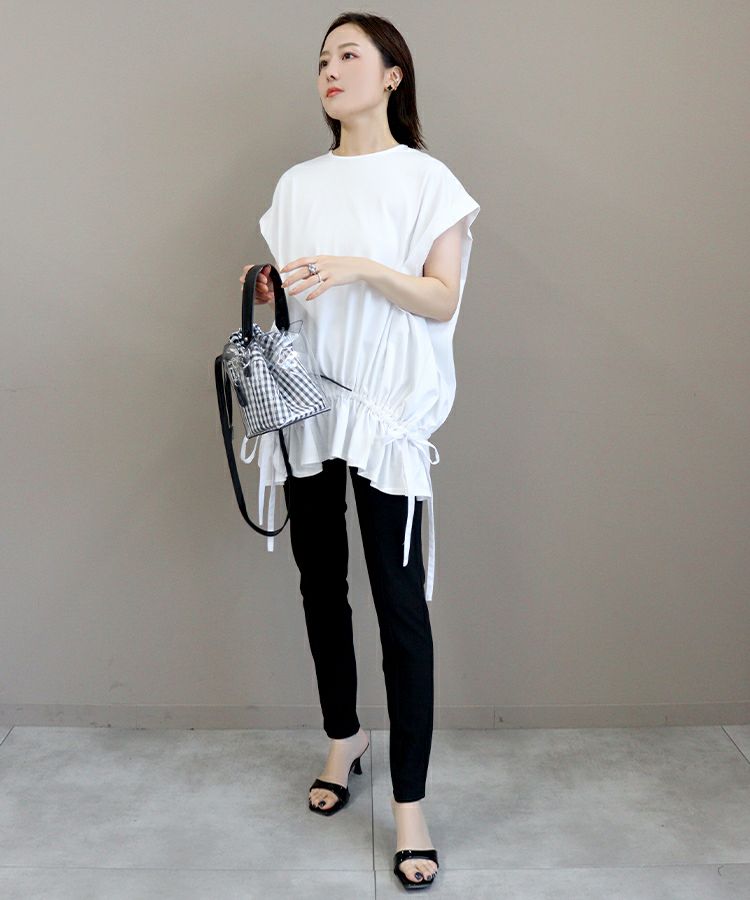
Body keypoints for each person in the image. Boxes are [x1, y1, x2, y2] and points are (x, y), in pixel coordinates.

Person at [240, 11, 479, 891]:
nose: (330, 70)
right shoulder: (297, 185)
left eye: (348, 55)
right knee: (320, 585)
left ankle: (410, 804)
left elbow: (442, 298)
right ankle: (344, 738)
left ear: (392, 75)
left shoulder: (427, 180)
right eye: (322, 60)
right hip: (310, 406)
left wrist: (362, 267)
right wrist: (272, 287)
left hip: (385, 417)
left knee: (399, 605)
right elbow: (304, 303)